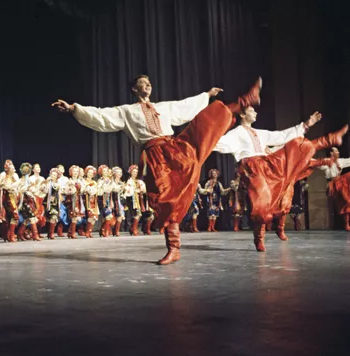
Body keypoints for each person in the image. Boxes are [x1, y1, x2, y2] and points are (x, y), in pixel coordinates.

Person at [53, 74, 261, 264]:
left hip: (174, 147)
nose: (148, 85)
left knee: (203, 127)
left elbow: (184, 107)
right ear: (134, 89)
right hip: (155, 156)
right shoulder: (127, 111)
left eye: (149, 82)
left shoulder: (163, 107)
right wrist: (73, 108)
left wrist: (206, 95)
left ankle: (243, 102)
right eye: (143, 83)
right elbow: (101, 116)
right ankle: (174, 248)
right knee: (165, 198)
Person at [214, 106, 347, 251]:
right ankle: (259, 237)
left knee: (297, 145)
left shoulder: (260, 133)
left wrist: (307, 124)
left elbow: (282, 136)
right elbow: (217, 142)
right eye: (252, 110)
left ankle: (328, 140)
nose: (256, 112)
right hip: (251, 167)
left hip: (267, 164)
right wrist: (203, 139)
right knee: (262, 203)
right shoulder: (236, 133)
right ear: (242, 114)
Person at [319, 148, 350, 231]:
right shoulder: (326, 162)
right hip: (333, 184)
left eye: (338, 151)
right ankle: (346, 223)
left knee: (347, 202)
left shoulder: (340, 161)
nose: (338, 152)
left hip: (341, 183)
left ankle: (347, 223)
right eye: (336, 151)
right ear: (331, 153)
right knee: (347, 201)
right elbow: (316, 163)